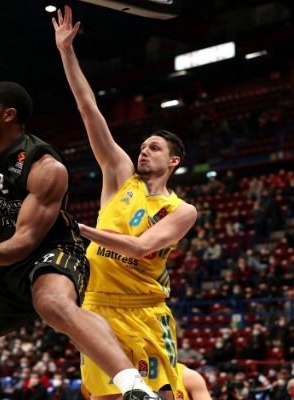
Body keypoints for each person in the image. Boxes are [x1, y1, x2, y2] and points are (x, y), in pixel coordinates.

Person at [0, 81, 158, 400]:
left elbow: (27, 239)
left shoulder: (46, 167)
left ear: (8, 115)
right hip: (5, 269)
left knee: (51, 303)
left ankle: (136, 388)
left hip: (55, 251)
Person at [53, 6, 198, 399]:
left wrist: (77, 228)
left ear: (173, 161)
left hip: (146, 310)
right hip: (98, 307)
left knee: (164, 395)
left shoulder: (182, 210)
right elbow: (89, 109)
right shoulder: (120, 174)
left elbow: (139, 247)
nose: (144, 151)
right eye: (143, 146)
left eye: (155, 148)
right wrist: (67, 51)